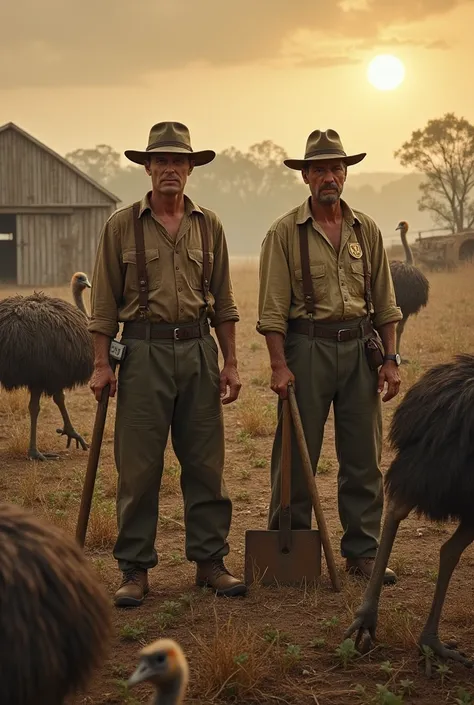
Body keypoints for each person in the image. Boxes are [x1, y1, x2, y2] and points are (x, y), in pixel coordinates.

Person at [88, 121, 247, 606]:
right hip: (141, 353)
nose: (171, 169)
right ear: (148, 167)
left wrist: (232, 362)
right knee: (138, 469)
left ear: (191, 168)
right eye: (162, 161)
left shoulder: (209, 225)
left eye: (180, 161)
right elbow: (102, 307)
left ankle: (210, 562)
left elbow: (224, 301)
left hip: (200, 351)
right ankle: (134, 569)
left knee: (205, 464)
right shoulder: (120, 225)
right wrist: (101, 364)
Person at [257, 128, 403, 584]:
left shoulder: (367, 230)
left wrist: (391, 358)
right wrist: (279, 366)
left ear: (345, 173)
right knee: (297, 457)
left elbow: (387, 303)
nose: (328, 177)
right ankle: (292, 548)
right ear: (305, 176)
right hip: (307, 351)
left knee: (362, 456)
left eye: (336, 168)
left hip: (361, 351)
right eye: (318, 169)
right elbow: (272, 311)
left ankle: (361, 551)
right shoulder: (284, 232)